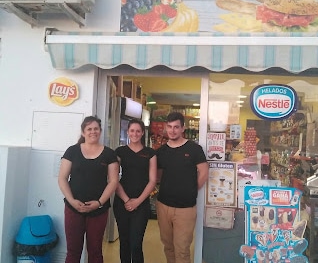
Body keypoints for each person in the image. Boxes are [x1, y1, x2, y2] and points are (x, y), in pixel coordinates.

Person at [58, 116, 119, 263]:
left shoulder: (109, 154)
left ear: (100, 131)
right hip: (73, 209)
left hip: (98, 210)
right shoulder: (72, 151)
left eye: (96, 129)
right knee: (73, 251)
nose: (93, 132)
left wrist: (99, 202)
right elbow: (62, 178)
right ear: (83, 132)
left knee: (95, 251)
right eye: (89, 129)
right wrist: (72, 201)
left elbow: (113, 181)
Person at [155, 111, 209, 263]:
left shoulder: (194, 149)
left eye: (176, 127)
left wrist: (191, 188)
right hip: (163, 205)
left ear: (183, 128)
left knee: (182, 249)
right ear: (166, 128)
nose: (172, 130)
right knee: (168, 246)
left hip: (185, 209)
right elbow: (157, 175)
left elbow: (204, 172)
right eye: (170, 127)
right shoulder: (161, 152)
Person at [113, 119, 157, 263]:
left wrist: (137, 201)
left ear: (142, 132)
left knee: (136, 244)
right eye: (132, 131)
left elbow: (152, 180)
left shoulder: (150, 153)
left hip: (142, 203)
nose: (135, 134)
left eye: (138, 131)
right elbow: (113, 179)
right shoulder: (120, 152)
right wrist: (126, 200)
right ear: (128, 132)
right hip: (121, 202)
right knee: (124, 242)